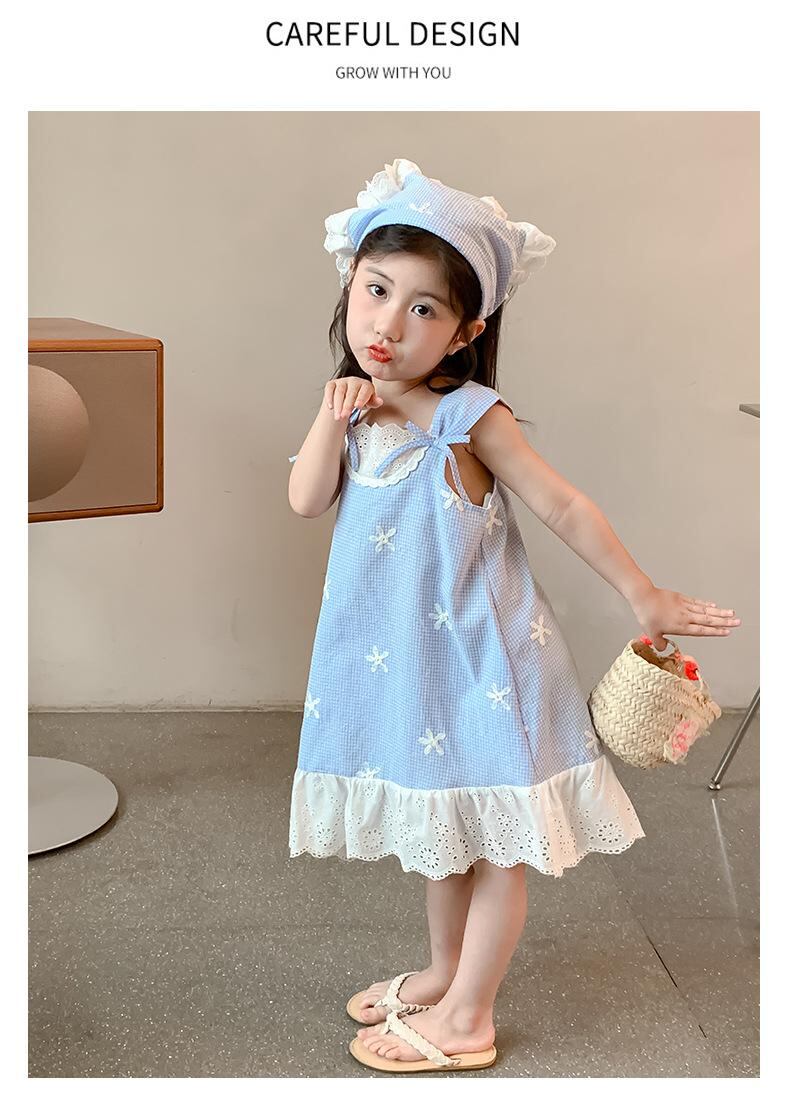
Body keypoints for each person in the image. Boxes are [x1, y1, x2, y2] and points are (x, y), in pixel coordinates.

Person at [286, 159, 741, 1074]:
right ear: (350, 287)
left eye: (423, 308)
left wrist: (642, 592)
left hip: (488, 669)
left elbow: (563, 504)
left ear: (466, 332)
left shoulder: (469, 417)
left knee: (498, 850)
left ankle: (470, 1017)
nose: (388, 323)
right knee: (446, 835)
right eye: (377, 290)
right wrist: (332, 417)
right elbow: (305, 499)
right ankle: (443, 971)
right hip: (416, 675)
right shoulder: (356, 414)